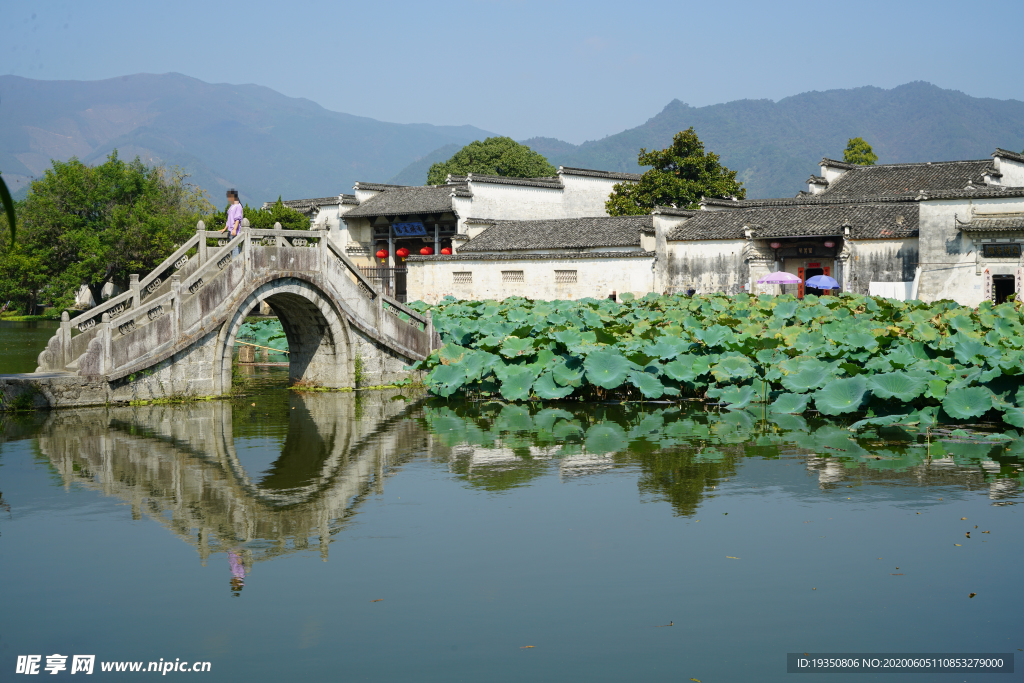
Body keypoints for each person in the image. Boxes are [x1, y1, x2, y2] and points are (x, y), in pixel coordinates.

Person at [220, 189, 243, 256]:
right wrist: (224, 228)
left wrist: (235, 229)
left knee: (234, 247)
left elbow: (237, 219)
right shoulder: (232, 206)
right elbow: (229, 219)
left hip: (234, 230)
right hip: (230, 230)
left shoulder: (238, 206)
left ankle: (235, 263)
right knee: (232, 247)